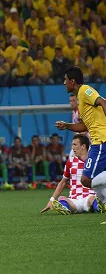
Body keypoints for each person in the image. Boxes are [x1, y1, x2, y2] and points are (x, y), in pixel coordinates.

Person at [56, 66, 106, 214]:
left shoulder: (85, 90)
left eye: (65, 80)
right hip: (97, 142)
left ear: (72, 81)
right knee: (89, 180)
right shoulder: (80, 99)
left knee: (86, 179)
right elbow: (84, 125)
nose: (64, 83)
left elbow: (103, 102)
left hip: (102, 141)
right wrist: (67, 126)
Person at [41, 134, 104, 215]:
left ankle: (99, 207)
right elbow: (63, 182)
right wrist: (51, 200)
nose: (72, 147)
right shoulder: (70, 161)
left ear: (83, 146)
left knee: (94, 199)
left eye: (75, 144)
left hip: (89, 196)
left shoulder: (94, 161)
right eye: (72, 145)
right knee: (62, 198)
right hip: (74, 199)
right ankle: (64, 208)